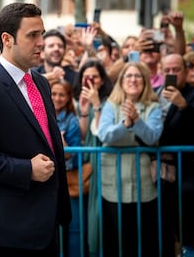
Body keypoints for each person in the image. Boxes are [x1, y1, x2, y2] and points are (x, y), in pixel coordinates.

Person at [0, 2, 71, 257]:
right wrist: (26, 169)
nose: (41, 42)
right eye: (32, 35)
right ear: (7, 39)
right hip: (7, 229)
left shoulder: (40, 82)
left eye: (42, 33)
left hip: (44, 221)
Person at [97, 62, 163, 256]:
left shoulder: (153, 107)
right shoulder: (111, 105)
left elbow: (153, 137)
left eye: (138, 76)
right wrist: (126, 124)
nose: (133, 79)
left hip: (143, 185)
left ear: (145, 81)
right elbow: (104, 135)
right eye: (128, 76)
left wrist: (137, 121)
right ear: (121, 81)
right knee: (115, 239)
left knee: (144, 238)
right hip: (113, 184)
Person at [73, 58, 113, 257]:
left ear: (102, 80)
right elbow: (83, 135)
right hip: (88, 164)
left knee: (99, 217)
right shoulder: (80, 101)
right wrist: (84, 110)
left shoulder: (110, 102)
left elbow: (102, 133)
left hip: (104, 166)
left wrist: (96, 105)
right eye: (86, 77)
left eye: (94, 77)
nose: (90, 81)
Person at [158, 53, 194, 256]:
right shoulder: (160, 96)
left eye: (176, 70)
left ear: (186, 71)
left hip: (190, 174)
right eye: (167, 70)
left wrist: (184, 106)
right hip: (168, 175)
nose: (172, 74)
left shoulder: (192, 94)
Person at [50, 79, 85, 256]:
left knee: (74, 227)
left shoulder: (72, 122)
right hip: (46, 180)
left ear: (69, 97)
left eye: (62, 94)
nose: (57, 98)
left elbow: (74, 158)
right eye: (54, 94)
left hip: (68, 180)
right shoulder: (42, 116)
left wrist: (64, 150)